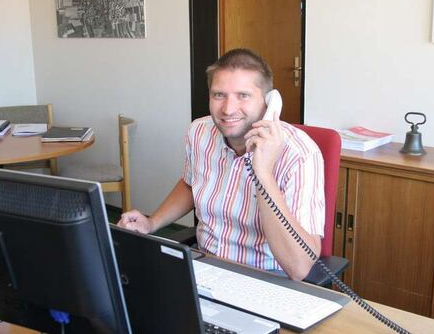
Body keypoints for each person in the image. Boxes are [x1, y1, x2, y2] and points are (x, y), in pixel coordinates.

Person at [118, 48, 325, 280]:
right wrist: (151, 222)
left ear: (269, 103)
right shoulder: (199, 131)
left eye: (243, 95)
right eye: (219, 95)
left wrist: (264, 172)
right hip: (203, 267)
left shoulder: (300, 154)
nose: (227, 109)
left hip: (267, 278)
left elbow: (299, 267)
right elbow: (190, 184)